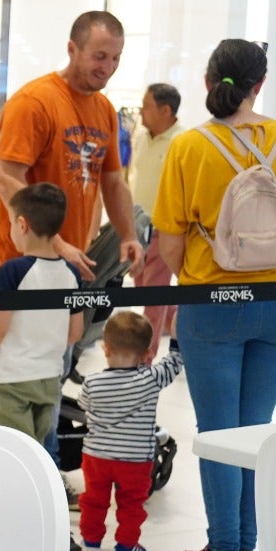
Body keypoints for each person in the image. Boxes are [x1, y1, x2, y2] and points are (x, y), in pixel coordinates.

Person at [152, 39, 276, 551]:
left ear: (209, 83)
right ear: (260, 84)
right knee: (254, 430)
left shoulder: (189, 147)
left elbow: (171, 246)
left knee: (219, 432)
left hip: (213, 308)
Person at [0, 10, 141, 280]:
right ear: (72, 49)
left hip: (70, 259)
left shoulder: (104, 110)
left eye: (116, 58)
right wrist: (55, 244)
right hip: (20, 262)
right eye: (100, 56)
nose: (108, 67)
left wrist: (128, 235)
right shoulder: (33, 103)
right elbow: (6, 180)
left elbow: (113, 182)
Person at [0, 183, 84, 443]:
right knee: (36, 451)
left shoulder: (12, 271)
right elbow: (75, 332)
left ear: (22, 225)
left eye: (11, 222)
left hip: (13, 382)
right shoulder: (72, 274)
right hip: (49, 379)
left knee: (15, 452)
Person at [77, 312, 184, 551]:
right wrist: (176, 338)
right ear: (147, 353)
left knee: (93, 499)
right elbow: (175, 362)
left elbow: (84, 405)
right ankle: (126, 546)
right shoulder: (151, 378)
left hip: (96, 456)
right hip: (135, 459)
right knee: (131, 503)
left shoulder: (92, 382)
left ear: (105, 348)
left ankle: (90, 541)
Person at [126, 83, 183, 359]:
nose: (140, 111)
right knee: (144, 289)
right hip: (138, 226)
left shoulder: (180, 142)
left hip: (164, 229)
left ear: (166, 110)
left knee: (153, 295)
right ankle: (183, 331)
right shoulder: (141, 138)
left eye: (146, 106)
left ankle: (144, 359)